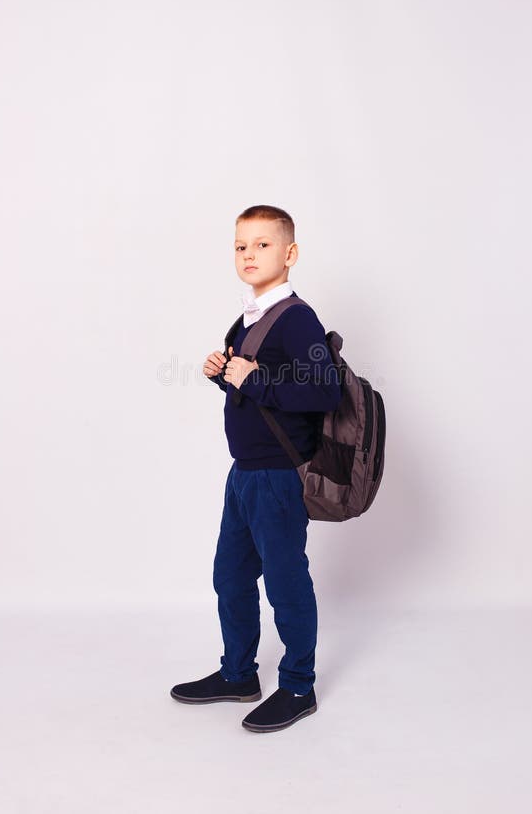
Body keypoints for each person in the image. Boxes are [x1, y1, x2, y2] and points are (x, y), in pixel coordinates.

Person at [170, 205, 341, 732]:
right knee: (231, 577)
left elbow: (324, 389)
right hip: (243, 473)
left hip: (278, 477)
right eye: (241, 245)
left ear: (289, 254)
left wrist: (253, 379)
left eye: (263, 245)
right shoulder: (247, 316)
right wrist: (224, 373)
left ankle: (298, 686)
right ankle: (239, 675)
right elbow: (254, 384)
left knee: (286, 582)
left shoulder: (297, 317)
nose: (249, 254)